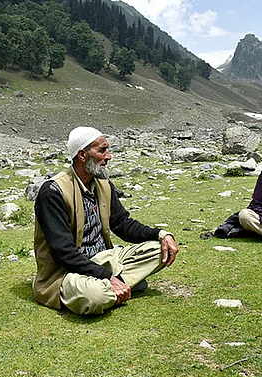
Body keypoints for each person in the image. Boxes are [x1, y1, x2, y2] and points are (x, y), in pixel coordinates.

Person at [33, 126, 179, 315]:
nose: (108, 156)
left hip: (104, 259)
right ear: (82, 155)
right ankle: (114, 285)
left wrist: (161, 234)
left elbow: (123, 224)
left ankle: (115, 285)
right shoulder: (53, 192)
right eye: (102, 150)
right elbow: (64, 252)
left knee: (161, 250)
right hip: (67, 271)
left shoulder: (103, 184)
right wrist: (107, 277)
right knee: (96, 297)